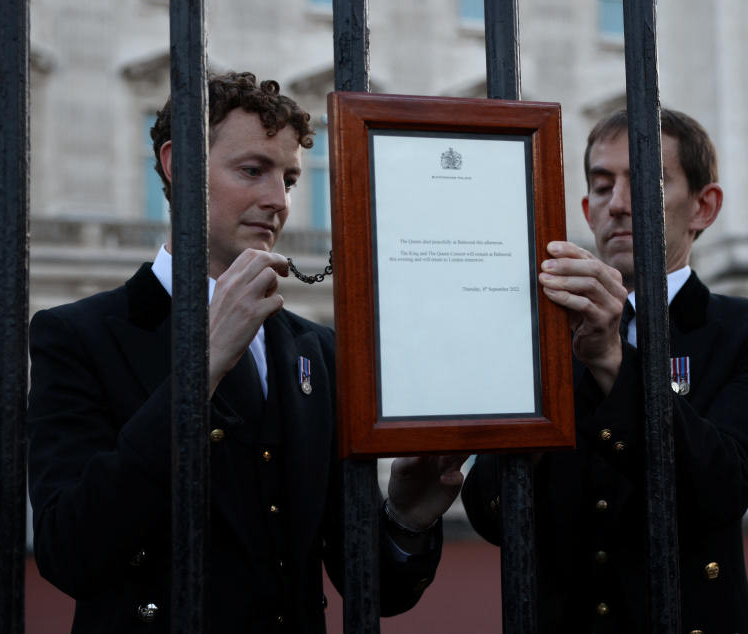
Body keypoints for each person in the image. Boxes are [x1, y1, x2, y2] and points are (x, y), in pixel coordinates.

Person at [27, 72, 465, 634]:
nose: (277, 201)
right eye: (253, 171)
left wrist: (405, 517)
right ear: (176, 164)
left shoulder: (316, 348)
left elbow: (368, 586)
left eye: (289, 179)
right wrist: (200, 368)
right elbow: (70, 554)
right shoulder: (77, 334)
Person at [462, 109, 748, 632]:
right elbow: (492, 514)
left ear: (704, 206)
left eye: (646, 182)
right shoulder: (538, 334)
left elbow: (720, 488)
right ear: (586, 208)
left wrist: (611, 360)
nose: (618, 205)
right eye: (602, 188)